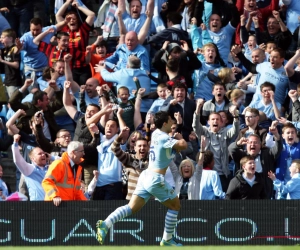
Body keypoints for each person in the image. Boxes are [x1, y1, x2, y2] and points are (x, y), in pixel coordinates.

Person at [95, 111, 188, 246]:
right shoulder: (163, 137)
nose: (173, 122)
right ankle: (167, 240)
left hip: (146, 176)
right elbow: (183, 145)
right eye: (170, 120)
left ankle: (106, 224)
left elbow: (169, 145)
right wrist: (180, 136)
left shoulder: (156, 134)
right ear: (165, 123)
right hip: (155, 178)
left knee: (131, 208)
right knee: (175, 206)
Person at [193, 99, 240, 192]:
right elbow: (195, 126)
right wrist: (198, 108)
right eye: (213, 119)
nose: (215, 121)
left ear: (221, 122)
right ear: (209, 122)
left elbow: (235, 131)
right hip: (206, 173)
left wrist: (235, 116)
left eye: (217, 119)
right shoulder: (204, 131)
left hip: (223, 174)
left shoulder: (226, 132)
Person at [229, 133, 282, 199]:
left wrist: (276, 135)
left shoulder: (267, 154)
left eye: (255, 142)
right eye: (250, 142)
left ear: (260, 145)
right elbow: (231, 149)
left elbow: (278, 148)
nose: (253, 144)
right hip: (245, 191)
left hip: (265, 189)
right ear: (246, 145)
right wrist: (238, 143)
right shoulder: (242, 155)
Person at [42, 141, 88, 206]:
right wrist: (55, 196)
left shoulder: (77, 168)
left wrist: (86, 204)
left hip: (67, 207)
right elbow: (47, 182)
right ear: (74, 152)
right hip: (55, 206)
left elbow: (77, 191)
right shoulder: (59, 164)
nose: (83, 154)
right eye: (82, 151)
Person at [111, 127, 148, 200]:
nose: (142, 148)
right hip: (131, 200)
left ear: (148, 148)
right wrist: (120, 136)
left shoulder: (152, 161)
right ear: (135, 148)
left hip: (148, 201)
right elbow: (114, 148)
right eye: (139, 146)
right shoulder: (129, 158)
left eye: (144, 146)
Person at [12, 134, 52, 201]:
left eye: (43, 153)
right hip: (37, 205)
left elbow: (64, 161)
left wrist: (52, 157)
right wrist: (15, 143)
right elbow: (17, 161)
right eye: (39, 154)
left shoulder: (51, 168)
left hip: (53, 204)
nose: (43, 155)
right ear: (33, 159)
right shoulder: (29, 169)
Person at [169, 136, 205, 200]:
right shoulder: (177, 177)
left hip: (192, 208)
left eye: (188, 166)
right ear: (181, 169)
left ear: (192, 169)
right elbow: (170, 163)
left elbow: (200, 163)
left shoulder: (196, 177)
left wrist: (202, 150)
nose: (186, 167)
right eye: (184, 166)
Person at [0, 28, 22, 98]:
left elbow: (16, 65)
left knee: (13, 103)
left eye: (3, 37)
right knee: (9, 104)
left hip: (14, 82)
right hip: (7, 81)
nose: (1, 39)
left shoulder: (14, 49)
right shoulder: (4, 50)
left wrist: (3, 61)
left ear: (10, 39)